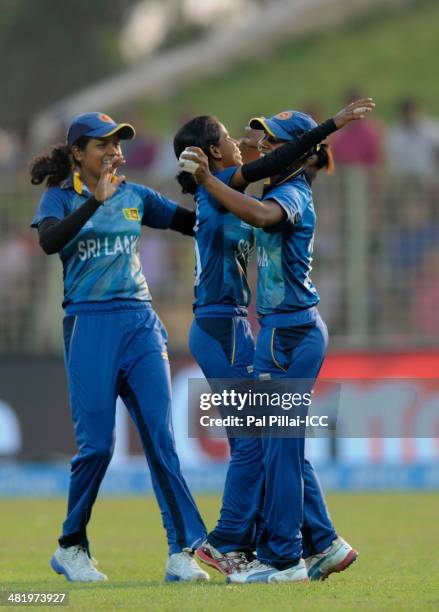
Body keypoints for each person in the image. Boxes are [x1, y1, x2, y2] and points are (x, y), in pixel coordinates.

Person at [176, 99, 373, 582]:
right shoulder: (241, 186)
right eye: (248, 136)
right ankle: (317, 543)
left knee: (271, 443)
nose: (256, 143)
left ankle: (270, 552)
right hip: (254, 328)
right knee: (273, 443)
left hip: (285, 330)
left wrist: (322, 131)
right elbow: (254, 173)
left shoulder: (288, 194)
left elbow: (264, 216)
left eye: (270, 137)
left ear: (299, 154)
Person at [30, 112, 209, 583]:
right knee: (97, 448)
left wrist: (211, 190)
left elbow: (192, 225)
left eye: (117, 142)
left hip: (140, 322)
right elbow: (49, 243)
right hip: (89, 324)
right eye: (102, 144)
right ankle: (71, 546)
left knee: (161, 438)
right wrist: (93, 203)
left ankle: (183, 551)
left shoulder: (136, 195)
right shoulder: (59, 197)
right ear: (77, 153)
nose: (114, 151)